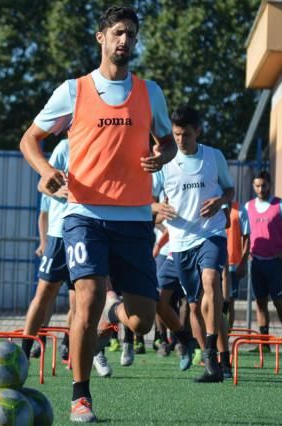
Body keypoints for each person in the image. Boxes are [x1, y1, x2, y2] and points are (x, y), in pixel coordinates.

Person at [19, 6, 176, 422]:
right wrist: (48, 171)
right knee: (84, 302)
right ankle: (80, 395)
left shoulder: (150, 92)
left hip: (135, 220)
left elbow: (169, 144)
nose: (126, 41)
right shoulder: (74, 90)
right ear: (101, 38)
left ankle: (114, 315)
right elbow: (29, 140)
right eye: (119, 33)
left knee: (143, 321)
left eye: (132, 35)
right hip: (84, 214)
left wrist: (164, 157)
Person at [153, 105, 235, 382]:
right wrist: (156, 209)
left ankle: (213, 352)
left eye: (186, 134)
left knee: (212, 280)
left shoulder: (214, 156)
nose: (180, 140)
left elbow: (230, 190)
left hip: (210, 233)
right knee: (196, 306)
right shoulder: (163, 163)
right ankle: (211, 362)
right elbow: (146, 202)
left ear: (197, 131)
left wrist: (221, 202)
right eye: (176, 134)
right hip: (180, 241)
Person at [21, 139, 73, 361]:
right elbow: (44, 183)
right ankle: (24, 351)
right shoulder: (64, 147)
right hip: (60, 235)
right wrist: (58, 190)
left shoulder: (102, 143)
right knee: (45, 293)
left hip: (89, 234)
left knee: (81, 299)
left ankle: (71, 345)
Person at [242, 171, 282, 349]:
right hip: (256, 262)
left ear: (270, 185)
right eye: (257, 186)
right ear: (253, 186)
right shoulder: (248, 207)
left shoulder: (281, 205)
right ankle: (264, 343)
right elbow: (244, 233)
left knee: (278, 301)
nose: (261, 189)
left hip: (274, 262)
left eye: (264, 185)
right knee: (260, 302)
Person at [223, 201, 248, 330]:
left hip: (233, 265)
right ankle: (212, 337)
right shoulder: (211, 207)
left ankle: (226, 337)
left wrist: (243, 263)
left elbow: (247, 237)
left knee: (229, 302)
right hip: (213, 263)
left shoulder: (240, 209)